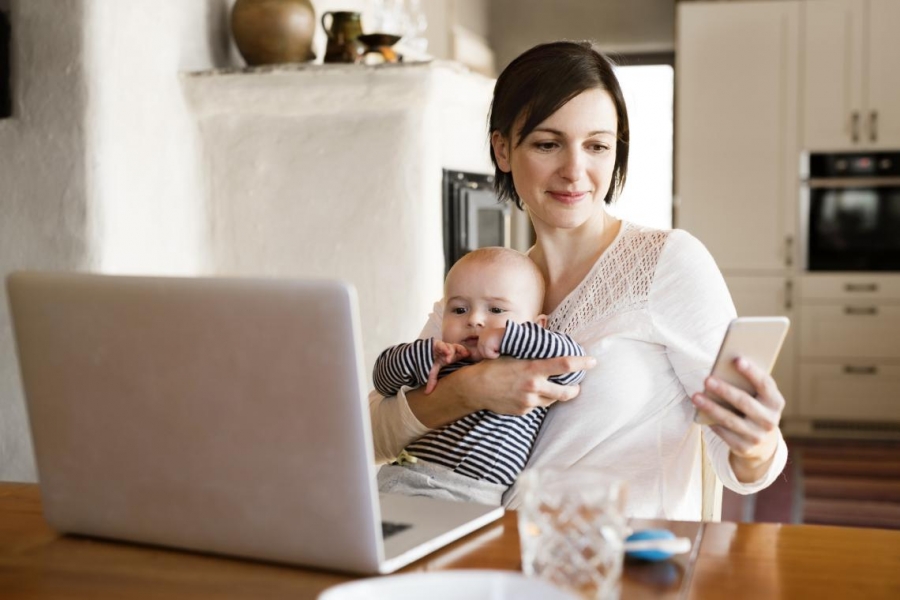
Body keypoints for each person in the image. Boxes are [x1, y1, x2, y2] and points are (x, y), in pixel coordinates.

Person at [368, 40, 788, 520]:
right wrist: (472, 389)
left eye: (597, 146)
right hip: (484, 555)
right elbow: (375, 436)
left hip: (616, 568)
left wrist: (755, 445)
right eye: (548, 144)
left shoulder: (668, 263)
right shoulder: (479, 289)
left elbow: (743, 465)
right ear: (503, 149)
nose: (574, 171)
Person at [373, 247, 586, 507]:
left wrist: (508, 336)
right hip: (405, 478)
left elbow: (572, 364)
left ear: (537, 325)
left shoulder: (532, 364)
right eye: (459, 310)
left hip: (474, 496)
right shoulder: (444, 358)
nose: (474, 319)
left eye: (496, 310)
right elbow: (382, 380)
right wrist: (424, 353)